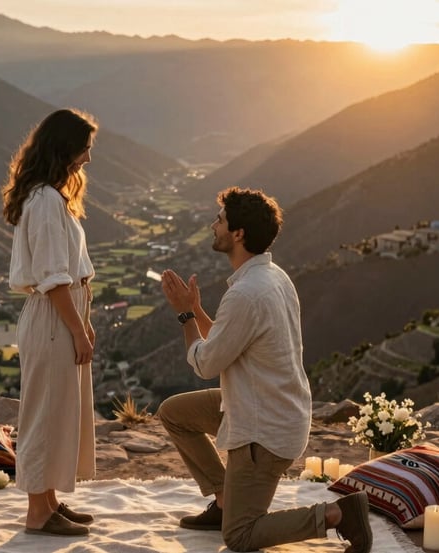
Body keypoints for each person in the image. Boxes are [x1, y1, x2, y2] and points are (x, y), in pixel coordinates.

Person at [157, 186, 373, 553]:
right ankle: (225, 499)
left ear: (238, 233)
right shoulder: (273, 277)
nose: (214, 225)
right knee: (174, 413)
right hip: (266, 406)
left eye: (220, 220)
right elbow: (228, 339)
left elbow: (206, 363)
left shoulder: (246, 293)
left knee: (240, 536)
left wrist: (184, 314)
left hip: (263, 431)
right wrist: (197, 310)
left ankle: (336, 515)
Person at [1, 108, 98, 537]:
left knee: (58, 411)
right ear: (65, 148)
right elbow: (53, 276)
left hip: (64, 312)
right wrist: (77, 328)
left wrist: (84, 320)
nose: (88, 159)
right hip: (54, 316)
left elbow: (67, 276)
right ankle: (36, 513)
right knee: (43, 414)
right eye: (84, 149)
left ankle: (50, 501)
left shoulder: (50, 197)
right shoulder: (43, 202)